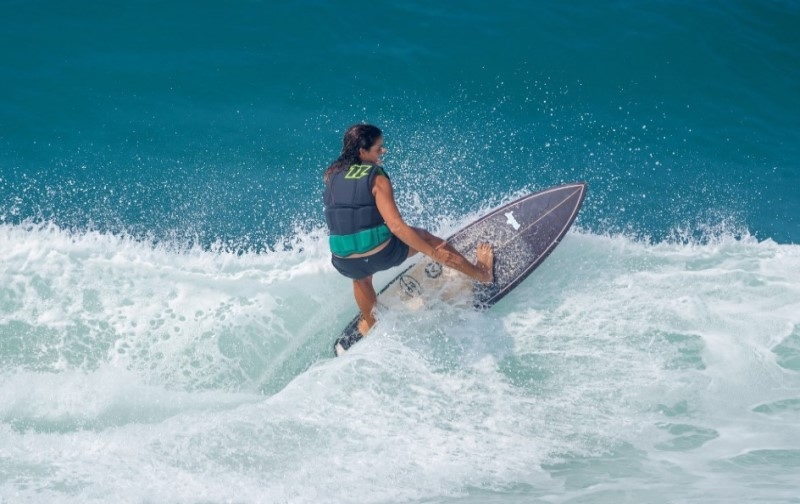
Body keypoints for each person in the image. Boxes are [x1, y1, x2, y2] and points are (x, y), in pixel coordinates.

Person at [323, 124, 493, 335]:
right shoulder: (377, 178)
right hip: (381, 254)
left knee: (361, 278)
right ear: (362, 151)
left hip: (343, 261)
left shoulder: (331, 174)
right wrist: (433, 252)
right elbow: (396, 226)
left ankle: (373, 326)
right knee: (426, 238)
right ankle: (482, 274)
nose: (383, 151)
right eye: (378, 148)